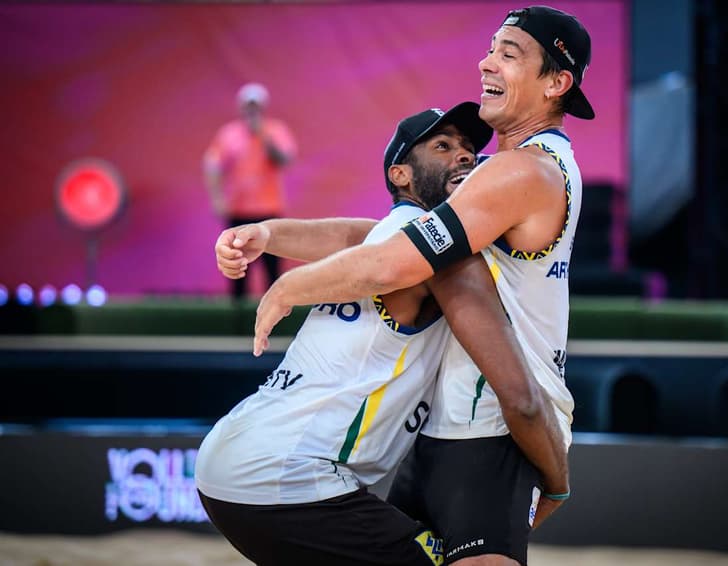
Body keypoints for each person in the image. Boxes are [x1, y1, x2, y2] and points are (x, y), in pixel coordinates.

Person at [251, 6, 593, 564]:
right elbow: (381, 237)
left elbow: (392, 262)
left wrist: (289, 288)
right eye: (490, 49)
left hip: (494, 428)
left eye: (509, 54)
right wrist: (272, 233)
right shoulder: (509, 172)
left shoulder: (521, 172)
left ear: (556, 83)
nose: (486, 63)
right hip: (448, 424)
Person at [198, 102, 566, 566]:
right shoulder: (425, 255)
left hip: (236, 461)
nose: (466, 156)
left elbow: (355, 235)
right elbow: (377, 265)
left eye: (470, 148)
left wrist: (269, 233)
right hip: (288, 477)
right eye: (443, 146)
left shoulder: (391, 238)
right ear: (401, 175)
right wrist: (286, 283)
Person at [203, 82, 298, 301]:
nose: (252, 110)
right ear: (241, 107)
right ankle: (238, 324)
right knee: (236, 267)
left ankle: (275, 317)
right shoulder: (229, 134)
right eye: (248, 106)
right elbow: (213, 166)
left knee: (272, 269)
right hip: (239, 211)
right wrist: (217, 198)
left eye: (255, 106)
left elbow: (283, 159)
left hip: (268, 210)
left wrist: (263, 136)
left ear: (263, 107)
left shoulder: (275, 130)